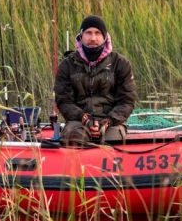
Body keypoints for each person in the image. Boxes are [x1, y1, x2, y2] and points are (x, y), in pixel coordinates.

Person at [53, 15, 137, 144]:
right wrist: (84, 119)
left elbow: (127, 101)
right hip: (78, 122)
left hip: (111, 122)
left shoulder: (120, 63)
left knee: (114, 140)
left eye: (97, 33)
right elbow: (64, 101)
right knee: (74, 138)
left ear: (105, 36)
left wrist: (108, 121)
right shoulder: (67, 65)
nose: (93, 38)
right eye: (88, 33)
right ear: (81, 36)